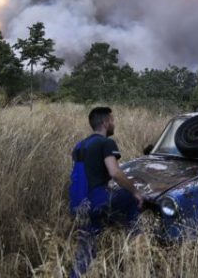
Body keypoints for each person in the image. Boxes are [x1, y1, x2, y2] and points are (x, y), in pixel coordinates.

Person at [69, 107, 143, 277]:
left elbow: (86, 174)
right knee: (129, 197)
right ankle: (138, 245)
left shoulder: (80, 145)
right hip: (96, 202)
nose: (114, 123)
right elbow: (115, 172)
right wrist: (135, 192)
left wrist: (104, 185)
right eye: (112, 120)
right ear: (105, 122)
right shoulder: (106, 143)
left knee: (86, 250)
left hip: (77, 204)